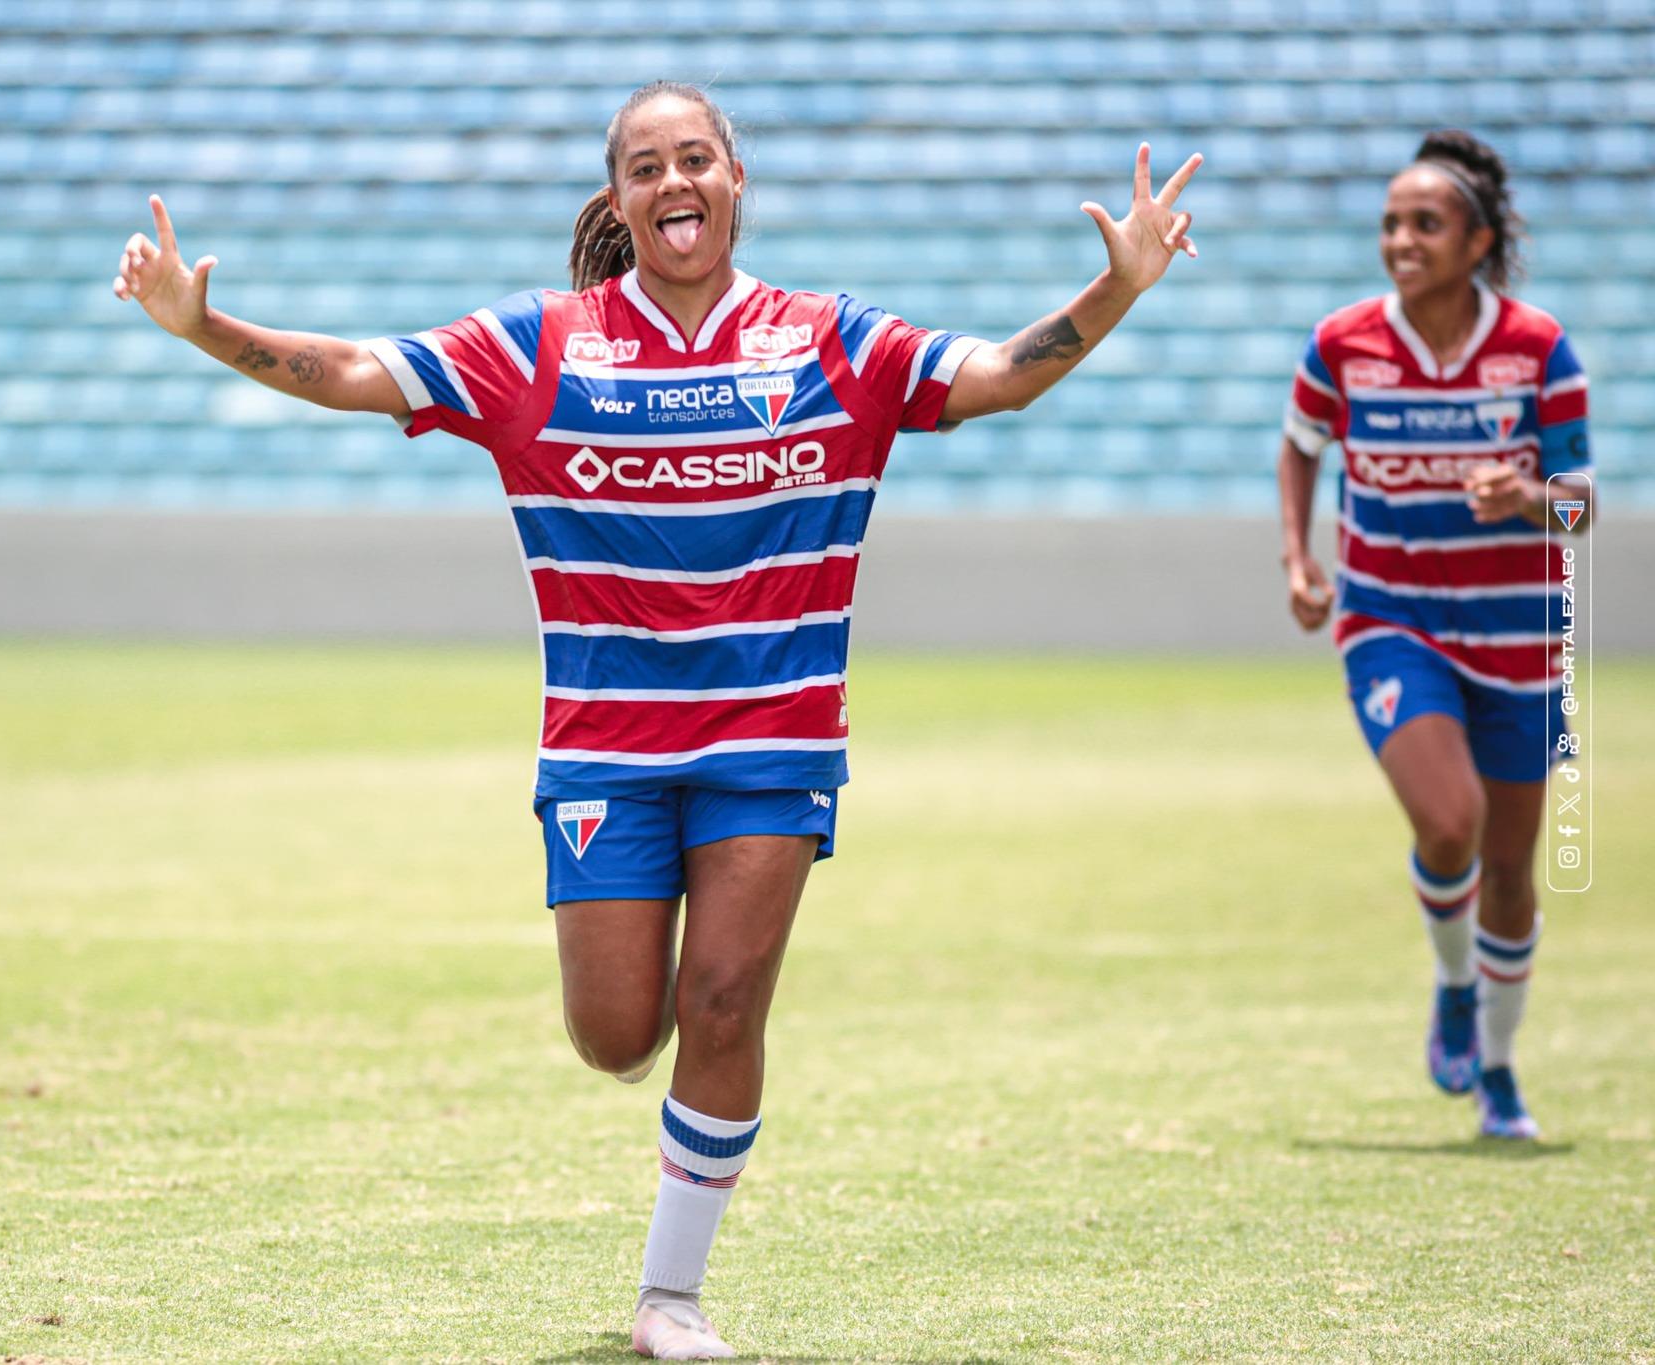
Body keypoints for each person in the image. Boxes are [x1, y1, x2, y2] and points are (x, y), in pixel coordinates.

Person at [116, 81, 1200, 1358]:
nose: (673, 183)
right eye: (645, 167)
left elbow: (992, 378)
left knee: (727, 1001)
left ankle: (667, 1300)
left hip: (770, 743)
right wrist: (203, 327)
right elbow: (358, 371)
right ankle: (656, 1110)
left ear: (737, 177)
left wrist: (1114, 292)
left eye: (696, 158)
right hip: (605, 752)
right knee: (616, 1033)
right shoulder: (538, 346)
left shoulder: (832, 339)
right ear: (618, 198)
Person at [1276, 129, 1592, 1143]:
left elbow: (1584, 511)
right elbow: (1298, 447)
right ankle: (1453, 982)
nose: (1399, 241)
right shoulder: (1341, 343)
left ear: (1476, 241)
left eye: (1424, 224)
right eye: (1388, 223)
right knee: (1446, 823)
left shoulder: (1537, 349)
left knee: (1508, 869)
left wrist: (1528, 500)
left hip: (1521, 642)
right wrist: (1298, 557)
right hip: (1388, 619)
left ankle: (1496, 1071)